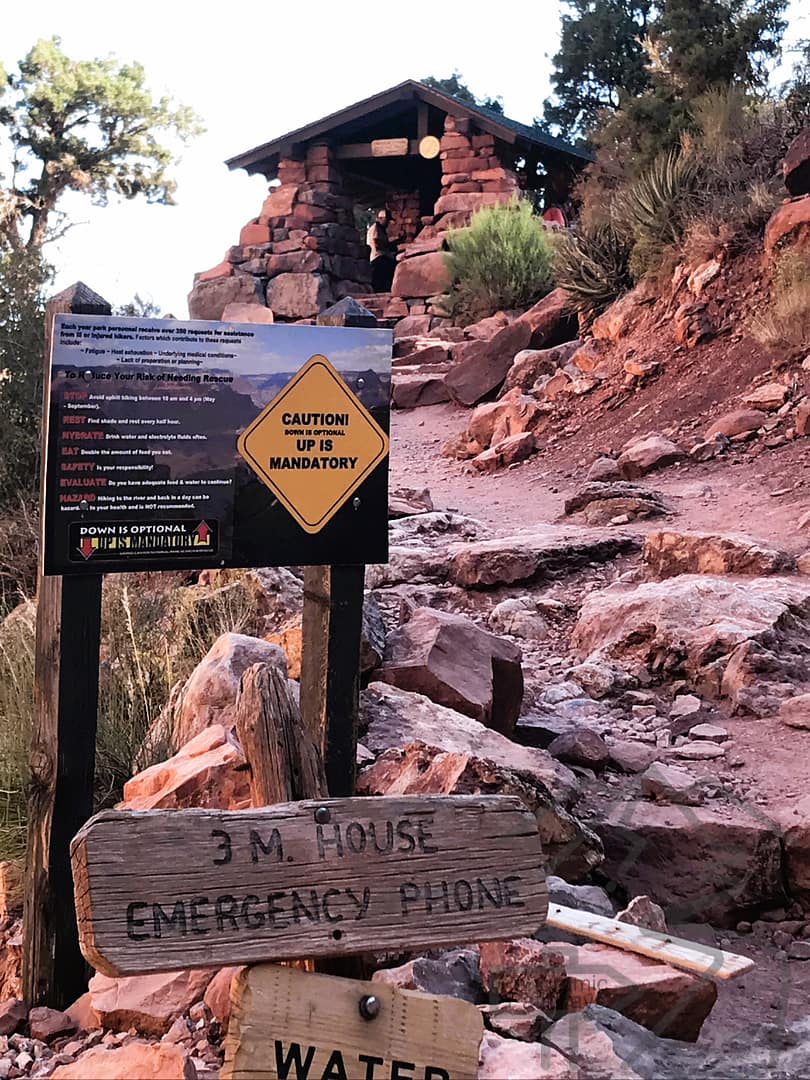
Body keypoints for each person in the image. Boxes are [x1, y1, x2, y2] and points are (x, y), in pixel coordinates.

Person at [366, 208, 397, 292]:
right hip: (378, 258)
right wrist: (390, 246)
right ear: (381, 219)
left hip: (382, 257)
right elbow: (377, 244)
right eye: (387, 221)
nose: (388, 223)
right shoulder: (376, 228)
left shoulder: (382, 230)